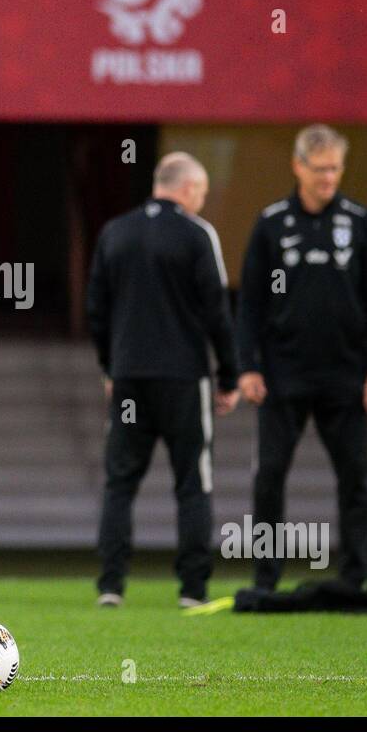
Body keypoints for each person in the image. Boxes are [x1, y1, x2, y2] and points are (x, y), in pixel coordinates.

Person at [236, 124, 367, 592]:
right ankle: (266, 579)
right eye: (320, 169)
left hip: (345, 376)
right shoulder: (271, 223)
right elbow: (250, 304)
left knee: (355, 480)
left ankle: (356, 577)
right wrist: (247, 365)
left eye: (336, 168)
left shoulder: (360, 223)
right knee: (268, 478)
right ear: (298, 166)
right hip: (283, 375)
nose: (329, 178)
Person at [86, 152, 240, 609]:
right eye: (203, 193)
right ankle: (192, 588)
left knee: (119, 483)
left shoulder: (115, 231)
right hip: (183, 379)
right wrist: (228, 375)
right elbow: (217, 309)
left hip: (130, 378)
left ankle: (111, 584)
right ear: (189, 188)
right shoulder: (197, 234)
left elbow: (96, 309)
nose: (203, 201)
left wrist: (108, 367)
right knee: (194, 481)